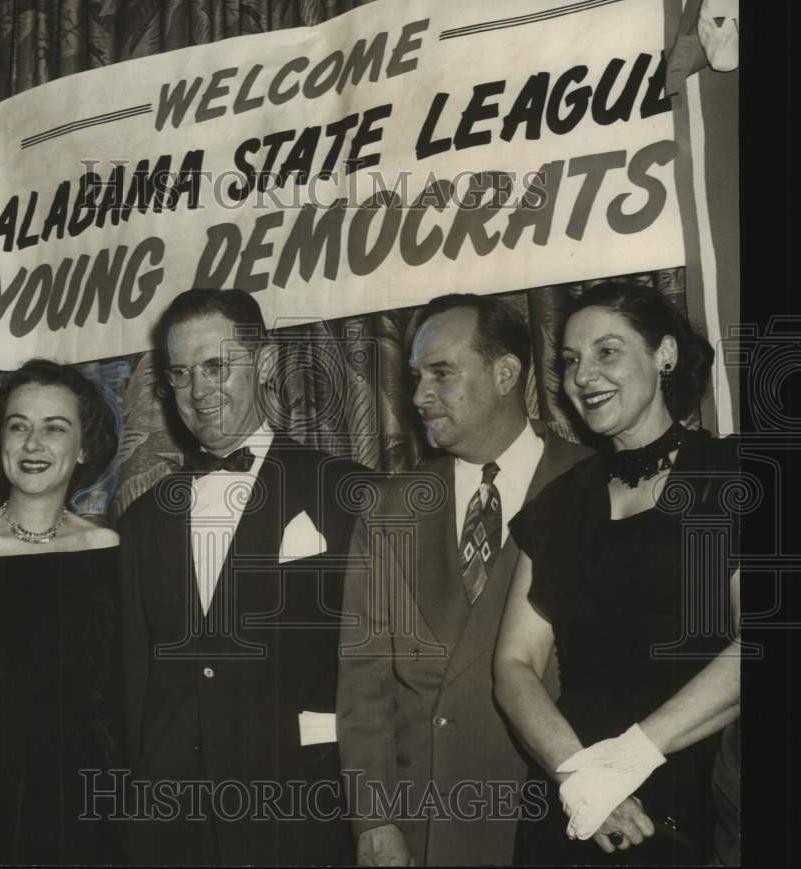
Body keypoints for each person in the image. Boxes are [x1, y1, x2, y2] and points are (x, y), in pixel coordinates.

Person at [336, 293, 591, 866]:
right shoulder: (387, 509)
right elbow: (364, 683)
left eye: (442, 373)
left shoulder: (592, 485)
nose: (420, 395)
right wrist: (373, 820)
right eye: (416, 377)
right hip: (425, 822)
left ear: (505, 373)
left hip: (554, 816)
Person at [493, 281, 740, 865]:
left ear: (665, 355)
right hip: (573, 795)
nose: (583, 377)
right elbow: (514, 664)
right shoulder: (560, 503)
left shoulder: (731, 472)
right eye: (572, 361)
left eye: (607, 351)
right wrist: (580, 777)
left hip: (691, 786)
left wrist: (623, 763)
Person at [119, 287, 364, 866]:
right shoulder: (142, 520)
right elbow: (134, 685)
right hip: (174, 825)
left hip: (302, 811)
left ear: (266, 363)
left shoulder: (348, 493)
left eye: (216, 367)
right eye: (181, 374)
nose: (199, 391)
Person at [0, 358, 125, 864]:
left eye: (55, 428)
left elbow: (121, 700)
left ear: (83, 447)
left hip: (84, 808)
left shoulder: (110, 552)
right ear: (1, 442)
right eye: (19, 427)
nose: (33, 445)